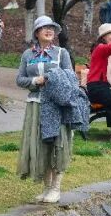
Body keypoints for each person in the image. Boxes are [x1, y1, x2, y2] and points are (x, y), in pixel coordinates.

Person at [16, 16, 76, 203]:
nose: (49, 31)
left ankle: (56, 188)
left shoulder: (61, 53)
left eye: (51, 28)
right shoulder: (28, 55)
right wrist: (36, 81)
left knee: (57, 144)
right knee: (40, 145)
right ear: (36, 33)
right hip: (35, 103)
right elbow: (20, 79)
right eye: (44, 28)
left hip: (56, 106)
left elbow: (70, 78)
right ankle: (46, 188)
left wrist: (53, 78)